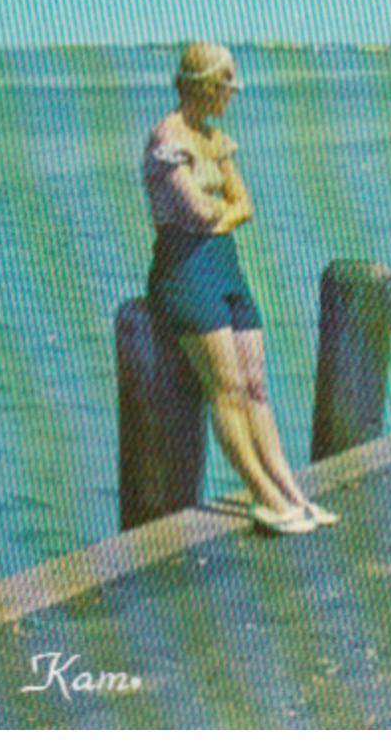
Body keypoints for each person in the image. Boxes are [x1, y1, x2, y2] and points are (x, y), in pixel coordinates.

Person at [143, 41, 334, 535]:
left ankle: (291, 493)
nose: (231, 96)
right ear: (205, 85)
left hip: (223, 265)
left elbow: (243, 204)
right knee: (225, 389)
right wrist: (218, 213)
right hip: (184, 270)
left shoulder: (215, 138)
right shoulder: (168, 136)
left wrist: (217, 214)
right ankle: (264, 496)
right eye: (226, 86)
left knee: (255, 385)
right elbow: (200, 210)